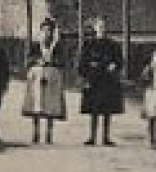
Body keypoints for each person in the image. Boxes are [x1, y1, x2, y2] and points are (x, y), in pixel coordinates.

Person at [75, 17, 124, 146]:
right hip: (94, 80)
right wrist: (87, 73)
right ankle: (92, 136)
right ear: (95, 28)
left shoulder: (113, 45)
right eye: (99, 26)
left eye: (104, 27)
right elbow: (81, 63)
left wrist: (115, 66)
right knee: (94, 109)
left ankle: (106, 137)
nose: (102, 29)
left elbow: (119, 61)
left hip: (108, 80)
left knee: (107, 109)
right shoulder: (88, 45)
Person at [21, 17, 67, 144]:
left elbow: (63, 62)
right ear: (41, 31)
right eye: (45, 30)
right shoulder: (35, 45)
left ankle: (49, 133)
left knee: (50, 106)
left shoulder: (57, 46)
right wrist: (37, 61)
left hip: (52, 78)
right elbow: (27, 61)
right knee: (37, 104)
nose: (47, 33)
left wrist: (53, 61)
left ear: (53, 32)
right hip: (37, 77)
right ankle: (36, 132)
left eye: (49, 30)